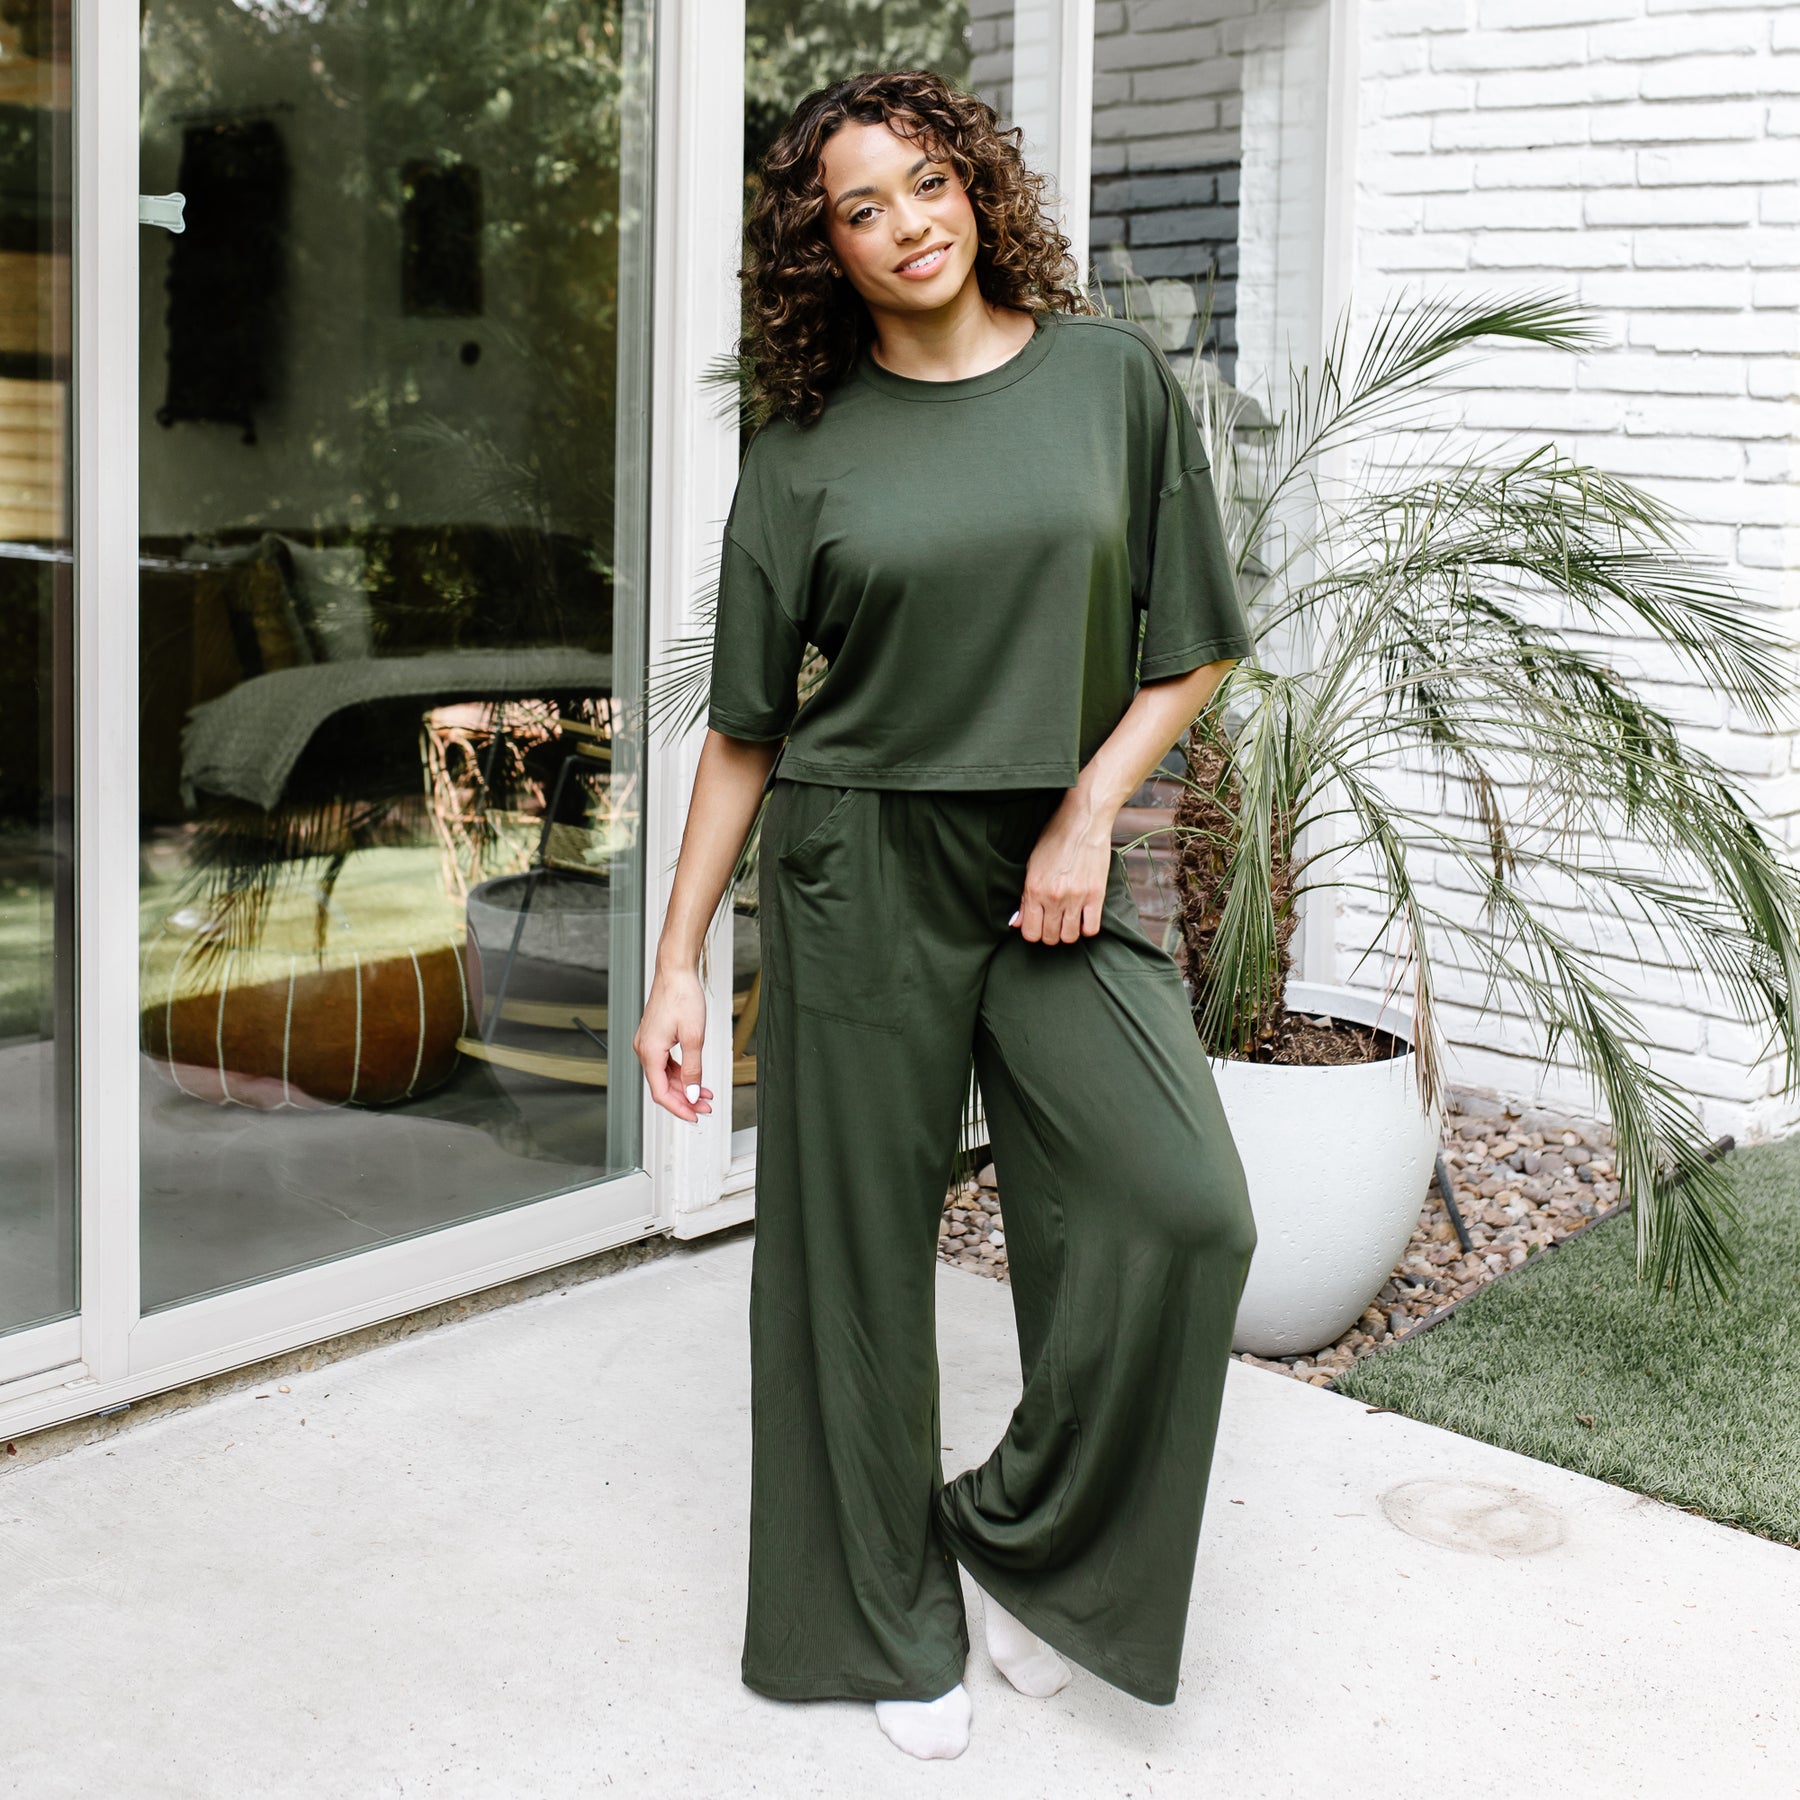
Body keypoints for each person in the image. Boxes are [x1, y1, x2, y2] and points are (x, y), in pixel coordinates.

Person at [632, 68, 1257, 1763]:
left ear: (977, 186)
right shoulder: (807, 447)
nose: (907, 225)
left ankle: (1020, 1542)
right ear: (817, 246)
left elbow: (1187, 638)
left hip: (1054, 867)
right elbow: (751, 726)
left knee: (1180, 1206)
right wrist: (678, 959)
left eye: (926, 183)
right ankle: (875, 1624)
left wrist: (1087, 814)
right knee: (848, 1258)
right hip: (856, 870)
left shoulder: (1109, 382)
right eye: (860, 207)